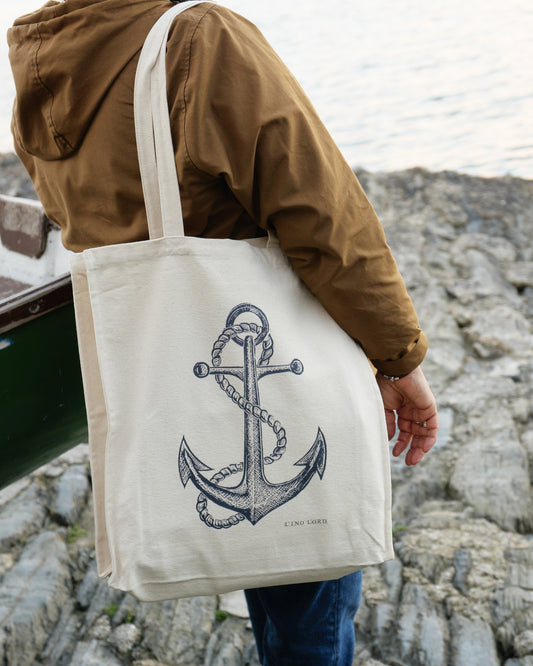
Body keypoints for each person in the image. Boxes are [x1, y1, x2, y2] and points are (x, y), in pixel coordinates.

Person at [8, 1, 438, 663]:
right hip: (288, 374)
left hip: (168, 391)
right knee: (310, 606)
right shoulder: (201, 38)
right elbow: (326, 221)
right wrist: (398, 357)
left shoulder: (43, 62)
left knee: (273, 576)